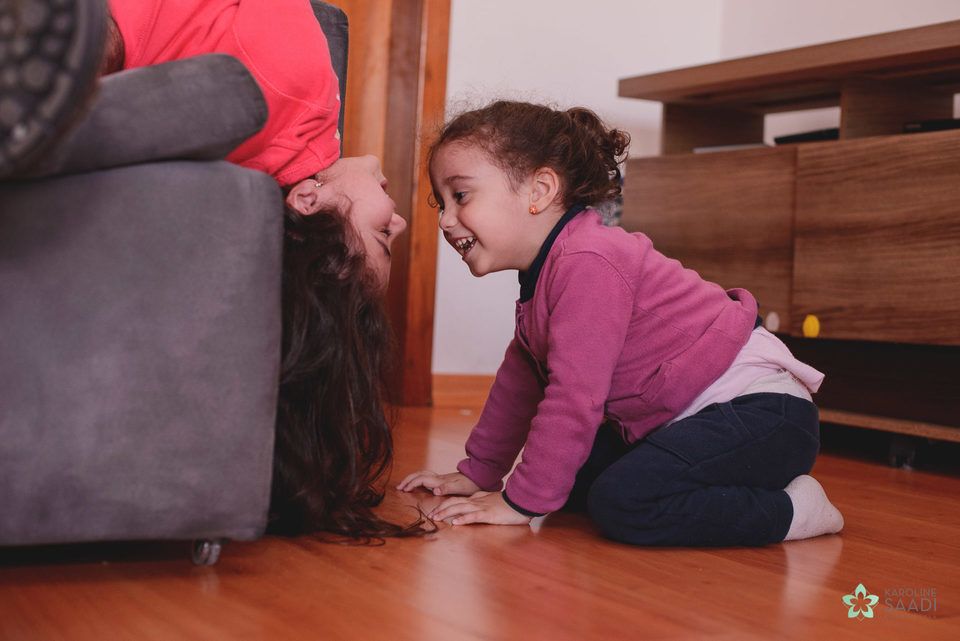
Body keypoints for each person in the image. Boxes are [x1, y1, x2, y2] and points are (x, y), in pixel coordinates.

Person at [3, 0, 419, 540]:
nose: (401, 221)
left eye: (383, 236)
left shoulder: (289, 93)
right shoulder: (285, 134)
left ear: (310, 201)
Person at [398, 100, 845, 547]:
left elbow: (576, 396)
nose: (445, 220)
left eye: (460, 196)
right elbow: (520, 384)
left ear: (540, 190)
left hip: (763, 416)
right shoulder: (547, 271)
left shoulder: (588, 260)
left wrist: (519, 504)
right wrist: (478, 473)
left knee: (623, 501)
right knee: (572, 479)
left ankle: (792, 511)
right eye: (441, 203)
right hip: (690, 419)